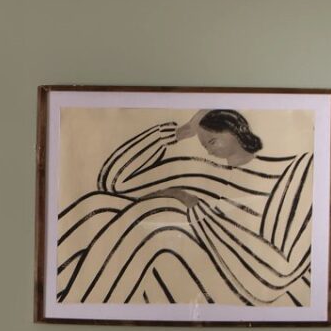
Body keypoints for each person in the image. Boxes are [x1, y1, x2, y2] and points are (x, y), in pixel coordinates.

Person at [55, 107, 312, 309]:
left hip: (249, 283)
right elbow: (112, 182)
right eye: (204, 146)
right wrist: (182, 132)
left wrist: (191, 206)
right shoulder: (202, 170)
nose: (209, 152)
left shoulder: (295, 170)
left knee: (160, 217)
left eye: (211, 142)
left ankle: (75, 307)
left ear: (234, 130)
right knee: (101, 206)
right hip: (187, 267)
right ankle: (57, 302)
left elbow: (277, 273)